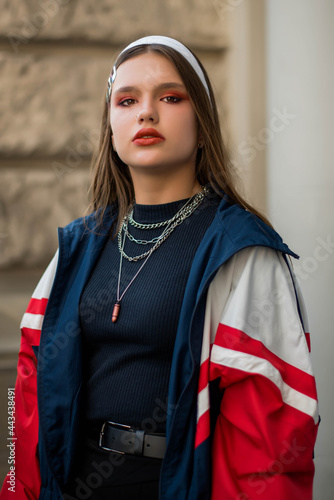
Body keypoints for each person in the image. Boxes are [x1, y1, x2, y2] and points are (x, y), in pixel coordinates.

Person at [0, 35, 319, 500]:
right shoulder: (79, 246)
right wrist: (15, 488)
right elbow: (25, 400)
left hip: (173, 486)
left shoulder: (239, 250)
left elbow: (270, 439)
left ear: (202, 121)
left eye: (171, 97)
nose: (146, 113)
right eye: (127, 101)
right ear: (110, 126)